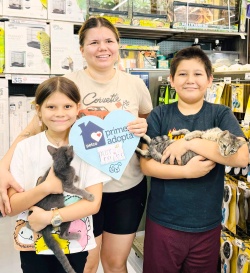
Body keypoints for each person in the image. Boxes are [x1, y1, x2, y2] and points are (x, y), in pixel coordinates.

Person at [0, 17, 153, 273]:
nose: (102, 48)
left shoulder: (135, 84)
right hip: (78, 192)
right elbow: (30, 131)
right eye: (94, 42)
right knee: (87, 264)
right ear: (81, 49)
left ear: (118, 45)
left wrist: (143, 129)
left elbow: (145, 122)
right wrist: (3, 167)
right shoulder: (67, 83)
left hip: (126, 188)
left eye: (109, 41)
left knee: (116, 264)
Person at [140, 46, 249, 273]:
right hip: (163, 222)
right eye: (182, 74)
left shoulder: (220, 114)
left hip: (206, 225)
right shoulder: (160, 114)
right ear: (171, 80)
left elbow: (241, 157)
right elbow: (146, 165)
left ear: (209, 80)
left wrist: (190, 143)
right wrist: (186, 172)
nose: (190, 80)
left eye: (198, 74)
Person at [6, 76, 111, 273]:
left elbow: (93, 203)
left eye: (67, 106)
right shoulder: (25, 148)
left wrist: (49, 217)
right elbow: (11, 207)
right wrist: (46, 187)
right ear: (38, 109)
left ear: (78, 107)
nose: (59, 114)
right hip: (33, 245)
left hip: (74, 244)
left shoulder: (89, 146)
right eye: (51, 107)